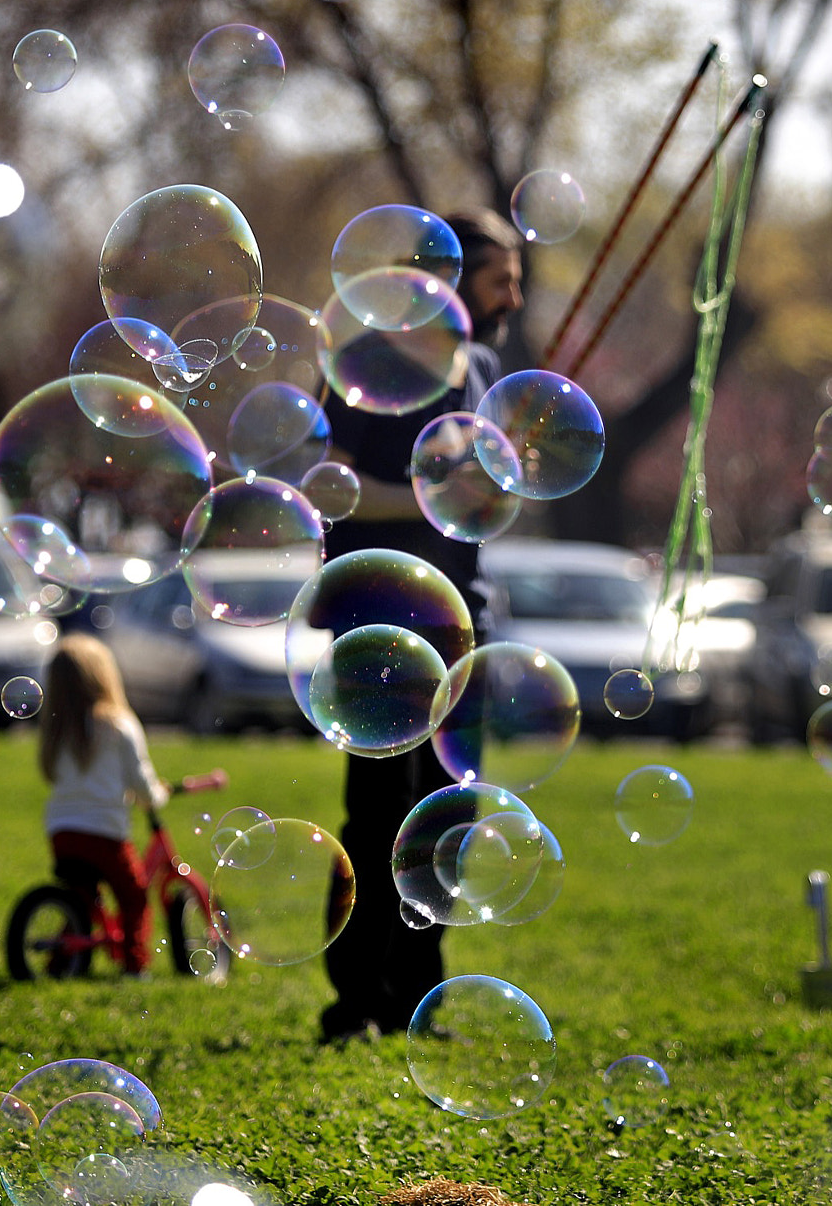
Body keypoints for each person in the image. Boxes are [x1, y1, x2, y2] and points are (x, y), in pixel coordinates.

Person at [317, 207, 525, 1044]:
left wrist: (508, 480)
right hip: (377, 615)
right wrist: (434, 497)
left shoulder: (482, 367)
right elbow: (332, 486)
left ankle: (415, 996)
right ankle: (356, 1000)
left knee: (448, 814)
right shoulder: (372, 362)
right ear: (447, 277)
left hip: (459, 620)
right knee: (378, 815)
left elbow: (489, 498)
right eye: (497, 273)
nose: (514, 289)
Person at [37, 633, 168, 976]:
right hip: (104, 834)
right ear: (103, 675)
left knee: (81, 899)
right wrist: (157, 795)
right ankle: (135, 966)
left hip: (62, 832)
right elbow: (141, 780)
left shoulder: (57, 727)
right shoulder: (118, 723)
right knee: (135, 896)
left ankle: (61, 961)